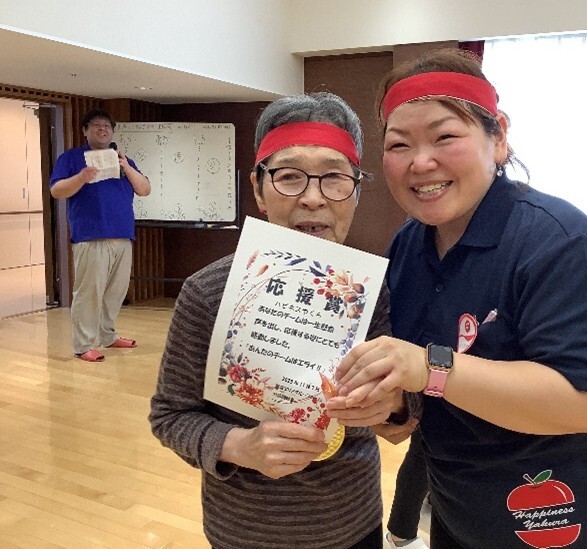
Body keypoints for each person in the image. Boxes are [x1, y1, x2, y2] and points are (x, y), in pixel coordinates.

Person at [332, 49, 587, 548]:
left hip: (563, 517)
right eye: (398, 144)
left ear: (498, 137)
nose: (420, 161)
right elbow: (420, 391)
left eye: (445, 137)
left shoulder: (564, 243)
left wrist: (428, 368)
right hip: (459, 509)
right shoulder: (409, 245)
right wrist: (391, 404)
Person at [149, 92, 413, 549]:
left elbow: (403, 411)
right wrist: (240, 446)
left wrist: (394, 405)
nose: (312, 198)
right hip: (245, 531)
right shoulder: (207, 291)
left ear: (356, 191)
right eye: (289, 177)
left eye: (334, 178)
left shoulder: (373, 289)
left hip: (353, 522)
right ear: (258, 188)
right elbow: (170, 415)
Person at [50, 108, 151, 362]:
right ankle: (83, 344)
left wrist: (126, 166)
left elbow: (144, 189)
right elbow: (57, 191)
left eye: (107, 126)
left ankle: (108, 335)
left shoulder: (123, 160)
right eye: (96, 125)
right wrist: (81, 178)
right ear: (85, 130)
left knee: (116, 291)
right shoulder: (72, 158)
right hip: (91, 236)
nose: (103, 129)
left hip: (122, 236)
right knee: (89, 293)